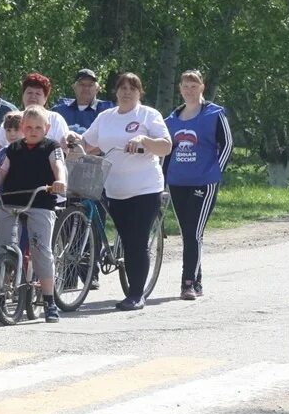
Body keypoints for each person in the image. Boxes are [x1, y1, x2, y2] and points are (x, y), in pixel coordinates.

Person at [81, 72, 172, 310]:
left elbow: (166, 146)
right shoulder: (105, 117)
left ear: (139, 92)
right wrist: (70, 142)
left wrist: (143, 139)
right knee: (126, 239)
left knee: (136, 241)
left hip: (145, 187)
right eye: (122, 87)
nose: (127, 92)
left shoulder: (148, 115)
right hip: (114, 189)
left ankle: (136, 294)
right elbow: (87, 143)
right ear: (115, 91)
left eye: (132, 88)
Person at [0, 106, 68, 322]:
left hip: (40, 202)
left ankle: (49, 300)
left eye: (38, 127)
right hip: (11, 201)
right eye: (28, 127)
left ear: (47, 128)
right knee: (2, 248)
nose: (33, 131)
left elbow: (58, 165)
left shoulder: (52, 147)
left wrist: (60, 181)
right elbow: (2, 171)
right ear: (22, 128)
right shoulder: (13, 149)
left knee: (41, 249)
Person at [163, 70, 232, 300]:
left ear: (202, 87)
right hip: (177, 182)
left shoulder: (214, 113)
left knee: (194, 231)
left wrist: (214, 171)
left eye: (194, 85)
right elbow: (167, 152)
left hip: (204, 181)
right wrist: (163, 179)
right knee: (189, 233)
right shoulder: (171, 120)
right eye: (185, 86)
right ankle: (198, 279)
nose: (189, 90)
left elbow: (227, 144)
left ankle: (188, 283)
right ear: (180, 88)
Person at [0, 73, 71, 154]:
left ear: (45, 98)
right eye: (29, 92)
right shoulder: (14, 118)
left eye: (38, 94)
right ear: (23, 95)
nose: (33, 97)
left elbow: (65, 149)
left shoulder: (55, 119)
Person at [53, 69, 113, 134]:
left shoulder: (107, 111)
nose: (86, 88)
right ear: (74, 87)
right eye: (82, 84)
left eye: (90, 85)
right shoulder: (60, 110)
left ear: (97, 88)